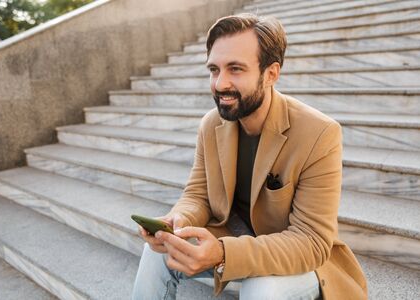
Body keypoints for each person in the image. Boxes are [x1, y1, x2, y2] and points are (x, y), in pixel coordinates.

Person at [132, 14, 367, 300]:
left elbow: (311, 242)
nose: (220, 84)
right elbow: (198, 194)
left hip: (299, 259)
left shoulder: (320, 133)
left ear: (271, 73)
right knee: (155, 253)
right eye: (214, 70)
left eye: (235, 69)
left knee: (261, 286)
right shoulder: (212, 124)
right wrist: (178, 221)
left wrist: (222, 253)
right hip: (238, 241)